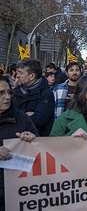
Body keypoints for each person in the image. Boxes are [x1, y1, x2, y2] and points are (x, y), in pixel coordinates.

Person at [0, 75, 39, 211]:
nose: (7, 97)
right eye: (1, 93)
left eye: (9, 92)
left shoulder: (22, 119)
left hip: (19, 193)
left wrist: (32, 140)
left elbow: (40, 149)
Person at [14, 58, 55, 137]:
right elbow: (9, 115)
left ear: (32, 76)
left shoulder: (47, 94)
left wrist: (18, 114)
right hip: (16, 141)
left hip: (38, 142)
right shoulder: (15, 92)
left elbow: (38, 120)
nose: (17, 76)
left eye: (21, 73)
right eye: (17, 73)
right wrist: (27, 113)